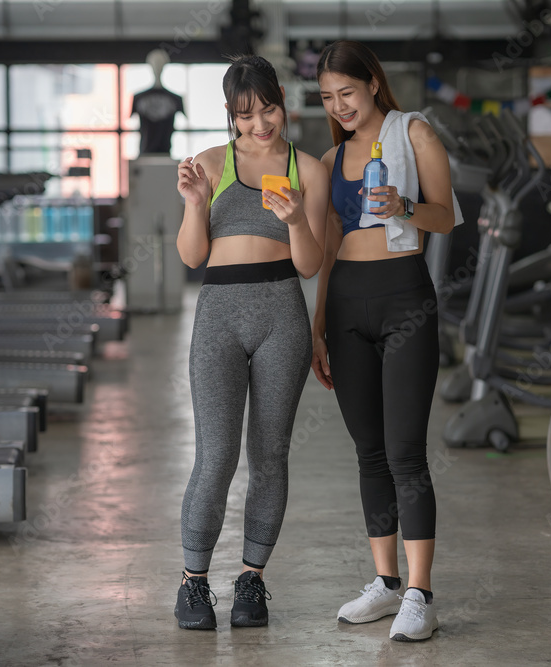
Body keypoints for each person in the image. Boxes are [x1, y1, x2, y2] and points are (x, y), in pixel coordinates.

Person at [311, 40, 461, 642]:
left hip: (404, 298)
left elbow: (446, 216)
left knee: (405, 451)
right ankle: (386, 582)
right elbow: (327, 248)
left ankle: (421, 594)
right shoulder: (331, 158)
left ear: (373, 82)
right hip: (346, 305)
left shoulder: (414, 133)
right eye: (328, 97)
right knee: (368, 451)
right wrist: (318, 325)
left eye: (347, 92)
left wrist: (404, 205)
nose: (339, 106)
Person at [174, 55, 328, 630]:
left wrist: (296, 221)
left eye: (267, 109)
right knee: (216, 455)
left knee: (269, 455)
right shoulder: (210, 163)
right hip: (218, 314)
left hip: (281, 316)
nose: (259, 124)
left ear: (282, 99)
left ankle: (251, 580)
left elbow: (310, 265)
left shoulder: (307, 169)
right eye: (245, 115)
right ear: (229, 114)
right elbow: (192, 256)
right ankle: (193, 582)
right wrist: (195, 204)